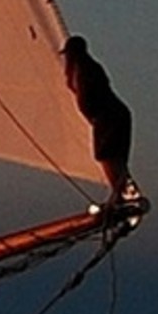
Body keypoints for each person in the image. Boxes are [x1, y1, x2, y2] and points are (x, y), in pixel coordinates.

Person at [62, 36, 136, 203]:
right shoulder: (86, 68)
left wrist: (93, 119)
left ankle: (119, 195)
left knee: (107, 155)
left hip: (110, 116)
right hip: (113, 116)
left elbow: (86, 99)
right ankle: (122, 193)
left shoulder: (85, 70)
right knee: (112, 156)